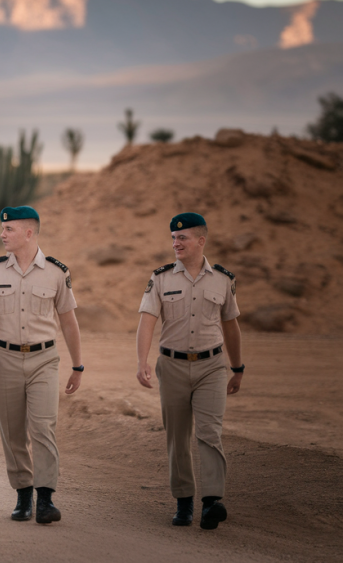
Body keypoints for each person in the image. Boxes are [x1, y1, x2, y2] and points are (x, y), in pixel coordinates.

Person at [0, 206, 83, 525]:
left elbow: (68, 322)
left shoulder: (57, 272)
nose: (2, 234)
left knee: (43, 427)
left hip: (45, 359)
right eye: (2, 229)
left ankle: (45, 499)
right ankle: (23, 494)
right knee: (12, 432)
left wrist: (78, 365)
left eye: (9, 229)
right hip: (5, 360)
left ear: (29, 232)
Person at [135, 212, 243, 530]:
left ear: (201, 240)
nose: (176, 243)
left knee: (209, 434)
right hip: (172, 367)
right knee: (177, 438)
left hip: (212, 367)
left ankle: (212, 502)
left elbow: (231, 326)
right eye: (173, 238)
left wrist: (238, 368)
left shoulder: (223, 280)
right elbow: (146, 322)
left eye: (182, 238)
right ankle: (184, 503)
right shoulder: (161, 278)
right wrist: (142, 362)